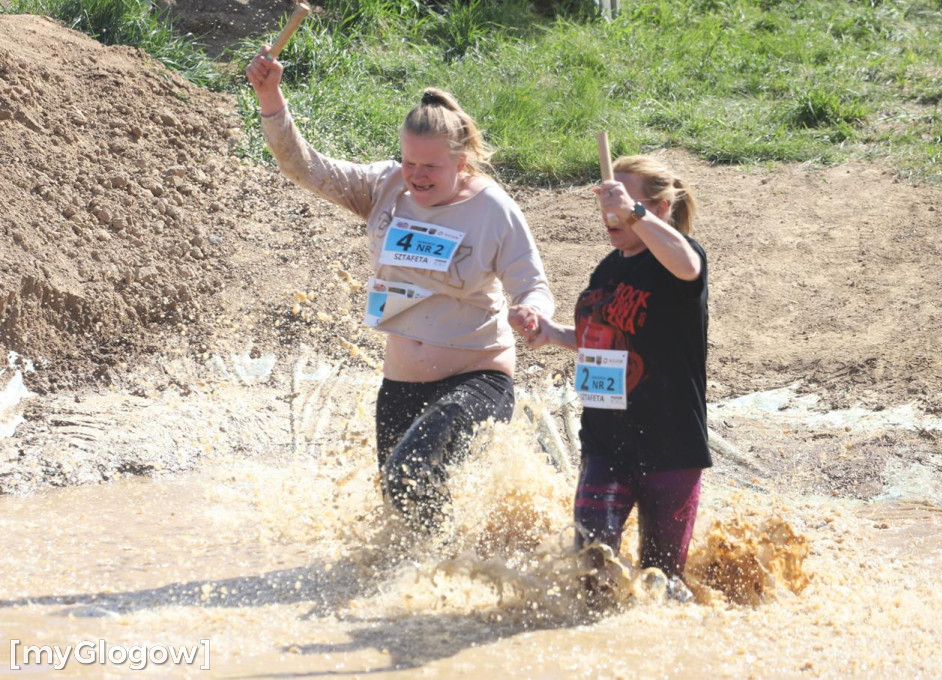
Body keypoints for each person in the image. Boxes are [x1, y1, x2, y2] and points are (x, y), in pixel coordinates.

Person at [245, 47, 554, 544]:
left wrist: (532, 312)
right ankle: (436, 587)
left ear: (463, 161)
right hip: (402, 383)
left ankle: (448, 571)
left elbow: (531, 280)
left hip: (477, 379)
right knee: (401, 502)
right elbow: (304, 167)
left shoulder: (493, 208)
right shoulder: (384, 186)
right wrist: (270, 97)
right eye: (410, 162)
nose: (417, 176)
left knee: (411, 468)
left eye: (430, 166)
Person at [517, 155, 709, 599]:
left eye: (620, 202)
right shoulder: (607, 268)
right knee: (591, 569)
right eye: (606, 201)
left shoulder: (679, 259)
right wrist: (550, 333)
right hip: (608, 442)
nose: (610, 214)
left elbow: (686, 265)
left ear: (659, 208)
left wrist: (635, 213)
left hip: (672, 445)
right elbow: (604, 342)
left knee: (663, 584)